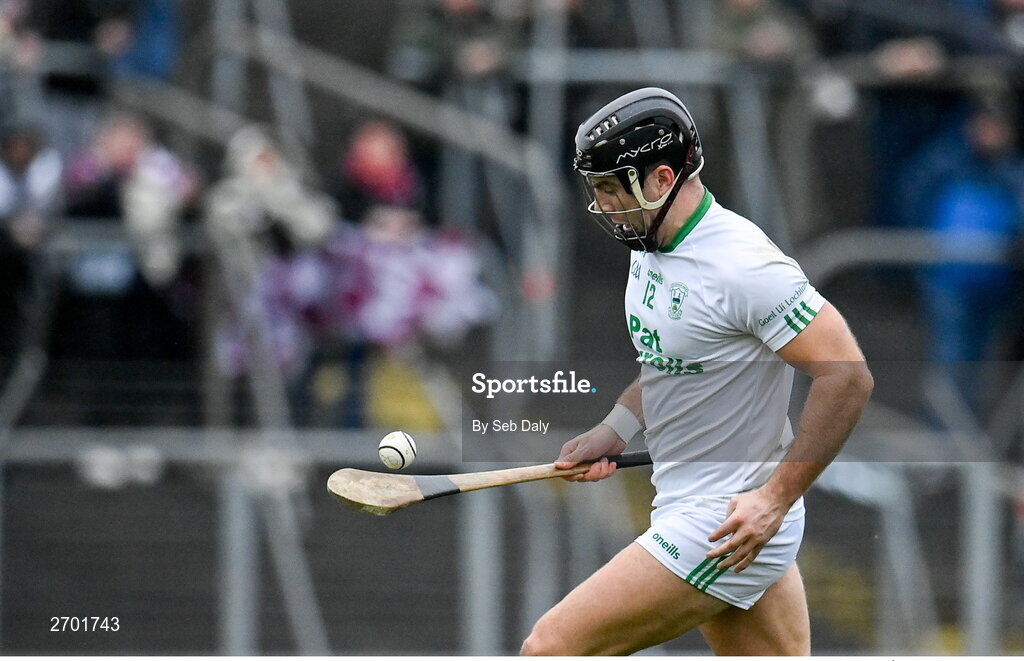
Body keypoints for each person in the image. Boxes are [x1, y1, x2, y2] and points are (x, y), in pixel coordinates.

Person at [521, 88, 873, 655]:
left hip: (724, 520)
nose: (604, 205)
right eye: (598, 189)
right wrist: (615, 429)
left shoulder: (744, 267)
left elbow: (848, 378)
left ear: (662, 179)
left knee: (550, 650)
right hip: (696, 504)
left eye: (613, 188)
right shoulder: (650, 246)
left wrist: (775, 499)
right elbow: (673, 361)